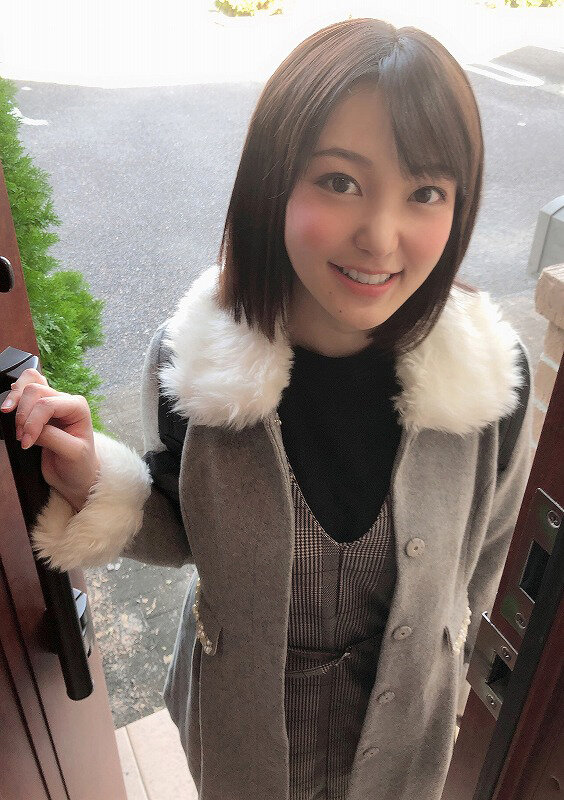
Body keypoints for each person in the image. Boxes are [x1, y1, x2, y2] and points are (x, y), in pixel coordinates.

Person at [1, 18, 532, 800]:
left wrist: (449, 681)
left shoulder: (485, 380)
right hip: (243, 734)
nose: (380, 237)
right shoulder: (199, 364)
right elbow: (186, 527)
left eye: (425, 193)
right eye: (340, 181)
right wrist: (93, 480)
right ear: (273, 182)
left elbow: (483, 559)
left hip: (402, 744)